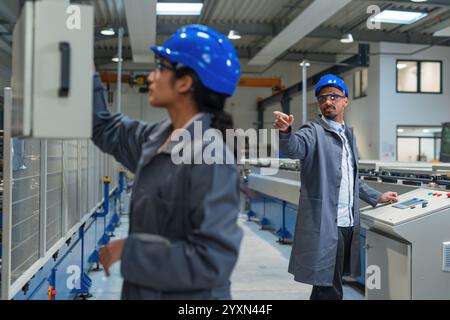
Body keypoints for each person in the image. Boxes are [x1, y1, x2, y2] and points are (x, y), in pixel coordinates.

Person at [93, 24, 243, 300]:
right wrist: (82, 71)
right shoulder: (157, 138)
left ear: (185, 82)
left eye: (160, 67)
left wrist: (130, 249)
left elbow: (212, 262)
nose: (151, 77)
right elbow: (105, 129)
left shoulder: (210, 157)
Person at [273, 74, 398, 300]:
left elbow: (351, 179)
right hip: (326, 224)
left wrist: (378, 197)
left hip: (348, 222)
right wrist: (285, 132)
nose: (327, 102)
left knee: (327, 285)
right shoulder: (312, 131)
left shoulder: (348, 135)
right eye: (322, 98)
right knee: (330, 289)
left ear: (345, 100)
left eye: (333, 96)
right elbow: (294, 148)